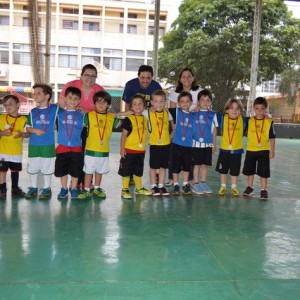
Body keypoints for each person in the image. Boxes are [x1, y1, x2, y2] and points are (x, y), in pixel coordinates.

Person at [59, 64, 105, 189]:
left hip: (90, 127)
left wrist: (86, 111)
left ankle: (85, 181)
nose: (89, 78)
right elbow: (61, 104)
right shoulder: (71, 85)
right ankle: (75, 180)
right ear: (81, 75)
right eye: (87, 75)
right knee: (73, 154)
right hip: (71, 125)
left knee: (86, 154)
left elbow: (102, 110)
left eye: (93, 76)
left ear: (96, 77)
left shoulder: (99, 90)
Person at [78, 91, 122, 200]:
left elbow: (123, 125)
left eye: (104, 102)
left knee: (99, 171)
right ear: (94, 103)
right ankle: (87, 189)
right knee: (88, 171)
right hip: (90, 150)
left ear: (108, 104)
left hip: (103, 150)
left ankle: (97, 188)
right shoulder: (89, 116)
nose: (101, 104)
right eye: (98, 102)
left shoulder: (112, 118)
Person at [167, 68, 202, 186]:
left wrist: (199, 109)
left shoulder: (199, 91)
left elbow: (204, 106)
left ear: (193, 77)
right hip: (178, 126)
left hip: (193, 126)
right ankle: (172, 177)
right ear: (179, 79)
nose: (186, 79)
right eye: (183, 76)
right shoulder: (174, 92)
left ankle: (190, 179)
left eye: (189, 76)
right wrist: (173, 128)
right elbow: (172, 111)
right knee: (173, 152)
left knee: (190, 153)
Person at [25, 84, 59, 200]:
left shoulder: (55, 109)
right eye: (34, 93)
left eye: (38, 93)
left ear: (47, 95)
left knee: (47, 167)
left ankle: (46, 188)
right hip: (34, 145)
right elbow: (27, 127)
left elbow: (68, 109)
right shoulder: (33, 111)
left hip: (48, 144)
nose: (35, 95)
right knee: (33, 167)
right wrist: (35, 131)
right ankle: (33, 187)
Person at [118, 94, 152, 199]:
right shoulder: (128, 119)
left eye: (140, 103)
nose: (138, 106)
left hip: (140, 151)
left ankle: (139, 188)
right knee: (126, 170)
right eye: (135, 104)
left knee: (138, 171)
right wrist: (122, 149)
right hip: (129, 150)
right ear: (131, 107)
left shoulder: (146, 119)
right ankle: (124, 189)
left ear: (144, 106)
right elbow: (124, 135)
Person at [242, 97, 276, 200]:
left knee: (263, 171)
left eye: (262, 109)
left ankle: (263, 190)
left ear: (266, 108)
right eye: (257, 108)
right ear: (253, 108)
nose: (259, 111)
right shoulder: (249, 120)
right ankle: (249, 187)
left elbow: (272, 137)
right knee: (250, 170)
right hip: (251, 150)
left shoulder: (269, 122)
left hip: (264, 150)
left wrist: (272, 150)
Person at [55, 87, 85, 200]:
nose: (73, 101)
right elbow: (48, 108)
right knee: (62, 170)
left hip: (76, 148)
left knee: (75, 171)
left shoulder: (82, 116)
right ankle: (63, 188)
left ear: (79, 101)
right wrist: (59, 103)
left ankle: (73, 188)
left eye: (76, 98)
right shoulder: (59, 113)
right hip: (62, 148)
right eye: (70, 98)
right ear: (65, 99)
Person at [143, 90, 174, 197]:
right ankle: (153, 186)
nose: (159, 104)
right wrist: (117, 114)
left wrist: (169, 138)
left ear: (165, 102)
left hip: (166, 145)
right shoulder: (147, 112)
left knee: (163, 167)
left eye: (161, 101)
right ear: (151, 102)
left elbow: (173, 127)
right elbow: (134, 112)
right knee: (153, 167)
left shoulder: (167, 112)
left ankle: (161, 185)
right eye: (156, 101)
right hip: (154, 145)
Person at [0, 94, 29, 199]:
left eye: (10, 104)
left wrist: (22, 134)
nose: (8, 106)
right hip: (2, 151)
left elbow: (28, 133)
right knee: (2, 171)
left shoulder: (23, 119)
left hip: (16, 152)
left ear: (18, 105)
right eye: (5, 105)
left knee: (15, 171)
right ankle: (2, 189)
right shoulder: (2, 118)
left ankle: (15, 189)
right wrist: (3, 133)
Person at [216, 99, 246, 197]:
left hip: (237, 151)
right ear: (226, 110)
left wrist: (266, 115)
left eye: (237, 109)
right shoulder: (222, 118)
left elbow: (257, 119)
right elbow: (210, 115)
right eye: (231, 108)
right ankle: (223, 186)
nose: (234, 110)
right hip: (224, 150)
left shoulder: (244, 120)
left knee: (235, 170)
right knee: (223, 170)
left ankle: (234, 187)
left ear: (240, 111)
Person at [191, 89, 218, 195]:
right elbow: (186, 111)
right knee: (196, 164)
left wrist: (214, 144)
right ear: (198, 101)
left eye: (208, 100)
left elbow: (215, 129)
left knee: (205, 165)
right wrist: (194, 108)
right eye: (202, 100)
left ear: (211, 102)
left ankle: (203, 183)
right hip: (196, 144)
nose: (205, 102)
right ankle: (196, 183)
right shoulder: (194, 113)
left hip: (207, 144)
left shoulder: (212, 114)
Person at [171, 91, 194, 196]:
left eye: (187, 101)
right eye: (182, 101)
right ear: (179, 103)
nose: (185, 103)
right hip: (177, 145)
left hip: (188, 146)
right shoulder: (176, 112)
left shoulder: (194, 116)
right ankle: (176, 185)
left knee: (186, 166)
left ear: (191, 102)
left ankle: (185, 184)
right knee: (175, 166)